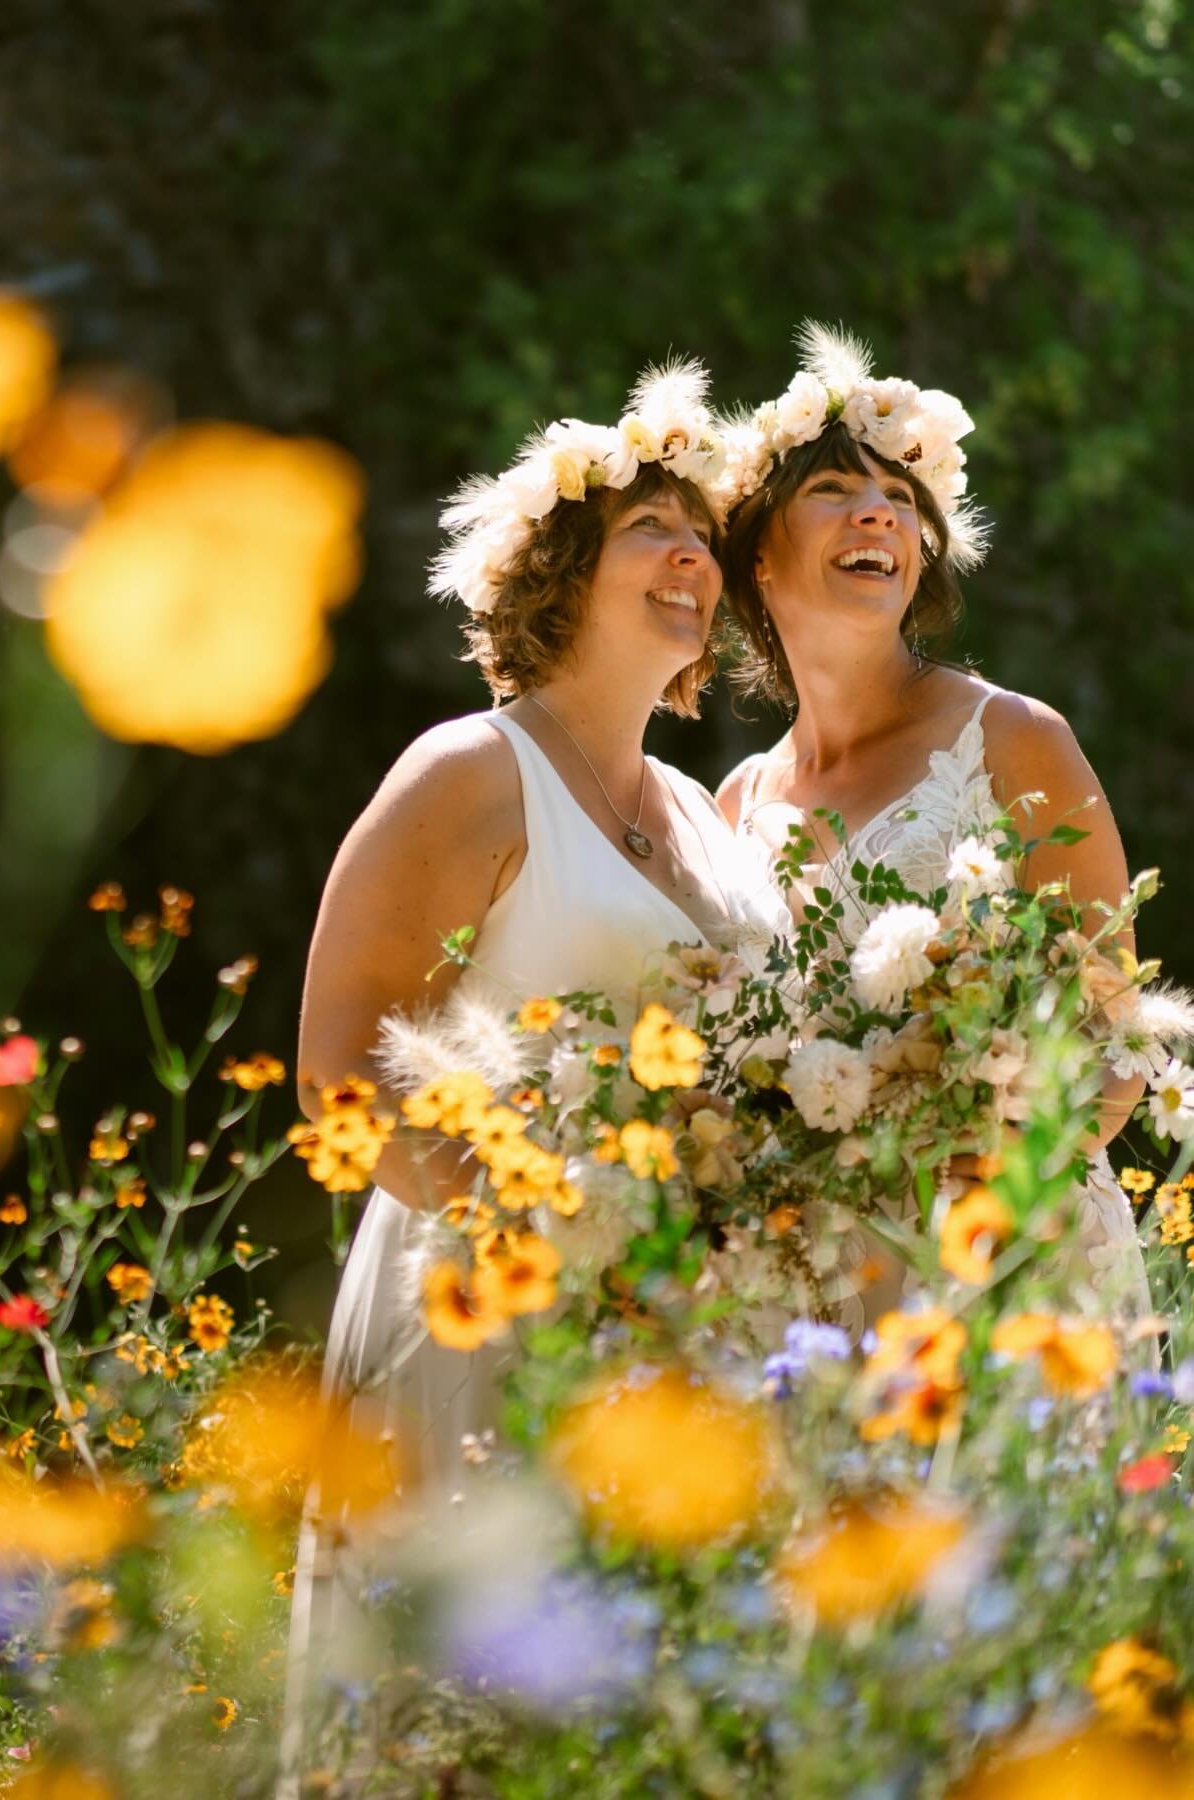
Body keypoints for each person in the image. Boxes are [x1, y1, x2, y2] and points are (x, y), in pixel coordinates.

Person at [279, 361, 741, 1773]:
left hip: (677, 1324)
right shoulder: (467, 772)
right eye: (650, 530)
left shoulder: (706, 815)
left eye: (706, 540)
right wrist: (544, 1228)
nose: (691, 559)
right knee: (465, 1707)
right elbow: (341, 1075)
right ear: (557, 570)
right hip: (483, 1312)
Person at [706, 322, 1149, 1325]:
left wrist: (1016, 1184)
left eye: (902, 501)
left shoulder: (1011, 738)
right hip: (808, 1290)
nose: (879, 515)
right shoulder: (735, 804)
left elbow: (1119, 1032)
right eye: (833, 492)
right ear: (759, 559)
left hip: (1006, 1272)